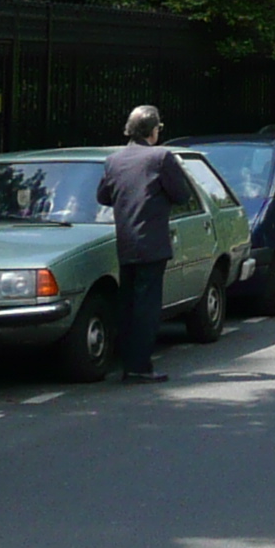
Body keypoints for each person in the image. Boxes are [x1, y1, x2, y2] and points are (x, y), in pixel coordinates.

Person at [100, 105, 196, 381]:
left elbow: (103, 196)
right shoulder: (161, 156)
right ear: (153, 130)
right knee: (147, 308)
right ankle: (140, 367)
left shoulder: (114, 160)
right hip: (152, 242)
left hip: (126, 241)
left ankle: (127, 363)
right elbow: (181, 194)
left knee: (128, 305)